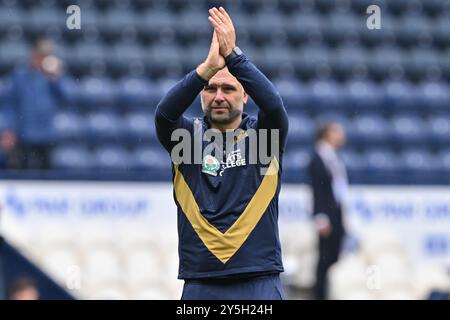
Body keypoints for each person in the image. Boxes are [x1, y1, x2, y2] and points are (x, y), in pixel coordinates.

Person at [155, 7, 289, 300]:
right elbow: (164, 114)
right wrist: (206, 69)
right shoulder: (186, 139)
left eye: (228, 89)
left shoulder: (264, 137)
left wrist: (234, 58)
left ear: (245, 95)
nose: (218, 96)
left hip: (258, 280)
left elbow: (274, 105)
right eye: (210, 88)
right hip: (201, 282)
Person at [1, 37, 68, 170]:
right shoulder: (20, 76)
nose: (41, 59)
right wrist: (9, 130)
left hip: (46, 135)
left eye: (45, 56)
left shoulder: (52, 78)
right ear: (33, 55)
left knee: (47, 175)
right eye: (40, 55)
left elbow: (64, 98)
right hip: (24, 135)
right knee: (22, 172)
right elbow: (10, 105)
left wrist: (54, 78)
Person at [308, 122, 348, 300]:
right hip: (327, 216)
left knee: (334, 258)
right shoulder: (317, 158)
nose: (341, 135)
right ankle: (319, 295)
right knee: (324, 260)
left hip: (336, 214)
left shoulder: (334, 157)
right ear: (327, 134)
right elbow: (317, 190)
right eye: (337, 131)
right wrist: (320, 217)